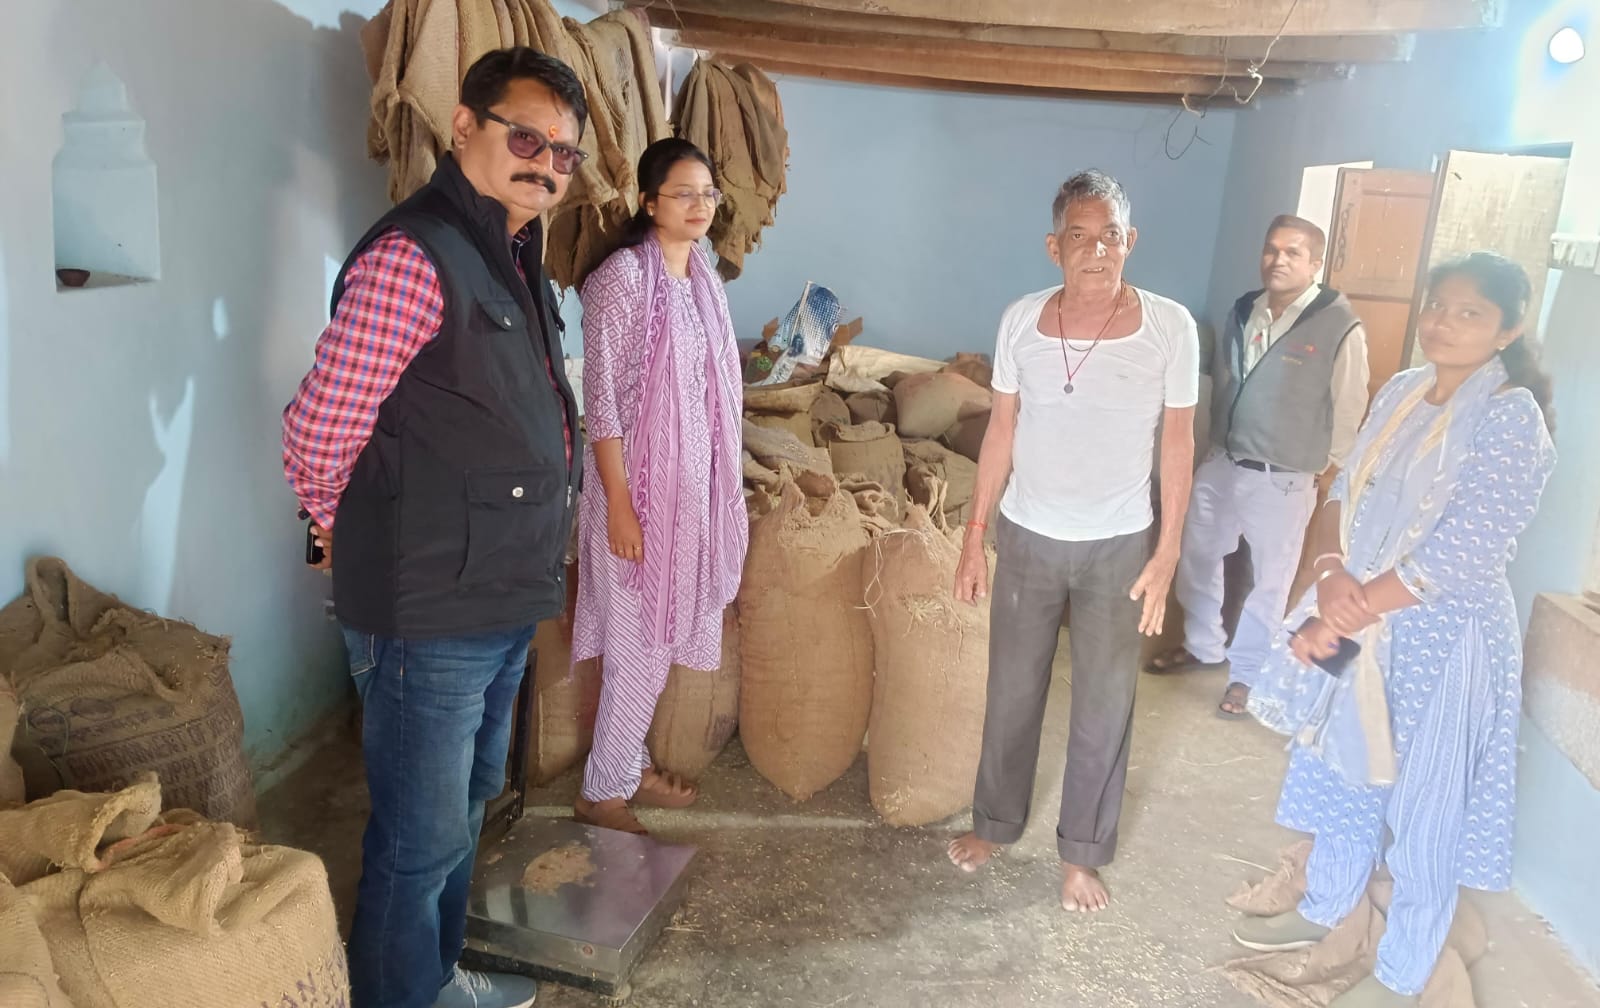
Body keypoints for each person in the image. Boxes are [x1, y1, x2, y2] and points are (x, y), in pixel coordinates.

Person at [282, 47, 588, 1008]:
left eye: (565, 154)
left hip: (495, 595)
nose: (546, 165)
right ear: (465, 125)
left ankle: (436, 980)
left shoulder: (515, 257)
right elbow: (318, 432)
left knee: (462, 812)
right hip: (428, 610)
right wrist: (346, 532)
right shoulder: (415, 257)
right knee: (417, 841)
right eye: (527, 138)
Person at [1231, 252, 1556, 1008]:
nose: (1443, 323)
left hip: (1442, 634)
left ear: (1507, 329)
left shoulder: (1511, 417)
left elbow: (1467, 551)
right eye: (1437, 305)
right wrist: (1330, 572)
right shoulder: (1405, 390)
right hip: (1357, 610)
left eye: (1469, 313)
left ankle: (1405, 970)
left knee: (1425, 806)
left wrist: (1352, 606)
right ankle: (1330, 912)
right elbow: (1344, 490)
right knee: (1337, 765)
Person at [946, 169, 1199, 912]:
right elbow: (1001, 429)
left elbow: (1177, 444)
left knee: (1104, 703)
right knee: (1011, 691)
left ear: (1131, 241)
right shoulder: (1021, 321)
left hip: (1119, 545)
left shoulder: (1170, 327)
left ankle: (1082, 856)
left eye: (1111, 235)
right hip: (1028, 534)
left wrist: (1168, 550)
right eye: (1080, 237)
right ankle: (994, 825)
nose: (1097, 250)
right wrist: (973, 535)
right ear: (1054, 247)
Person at [570, 138, 748, 836]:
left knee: (656, 638)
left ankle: (627, 763)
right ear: (649, 202)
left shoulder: (703, 278)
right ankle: (602, 794)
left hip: (688, 500)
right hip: (635, 499)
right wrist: (619, 505)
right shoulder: (621, 280)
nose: (700, 205)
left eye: (708, 193)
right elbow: (603, 404)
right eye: (684, 193)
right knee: (640, 641)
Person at [1148, 215, 1371, 718]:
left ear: (1315, 264)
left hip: (1284, 477)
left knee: (1271, 580)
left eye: (1293, 252)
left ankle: (1247, 675)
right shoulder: (1245, 308)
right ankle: (1204, 646)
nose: (1278, 260)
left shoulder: (1340, 325)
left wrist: (1328, 469)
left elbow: (1349, 405)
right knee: (1197, 555)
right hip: (1224, 461)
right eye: (1272, 249)